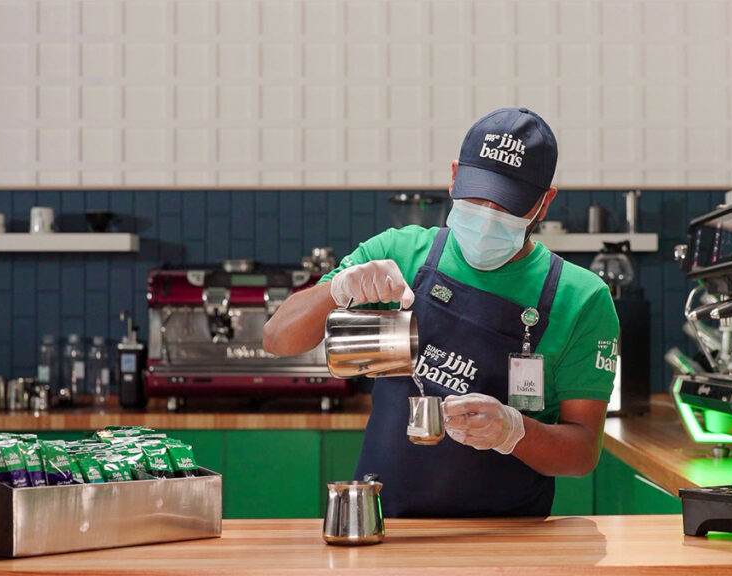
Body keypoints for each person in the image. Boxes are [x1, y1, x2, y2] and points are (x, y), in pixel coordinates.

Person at [264, 107, 619, 517]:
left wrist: (513, 431)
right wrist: (338, 289)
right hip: (387, 526)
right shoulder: (400, 252)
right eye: (476, 196)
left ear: (544, 203)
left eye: (507, 205)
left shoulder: (581, 298)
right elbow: (277, 339)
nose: (487, 217)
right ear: (454, 176)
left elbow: (582, 454)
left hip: (509, 536)